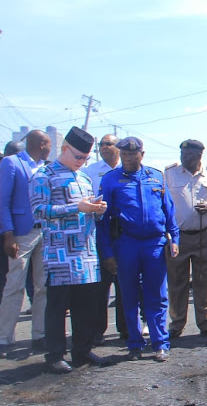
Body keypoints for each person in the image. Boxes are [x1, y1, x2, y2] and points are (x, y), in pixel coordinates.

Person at [30, 127, 111, 373]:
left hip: (85, 254)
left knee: (85, 306)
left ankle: (82, 350)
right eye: (78, 157)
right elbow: (39, 211)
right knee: (57, 307)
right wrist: (77, 208)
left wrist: (96, 209)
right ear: (64, 148)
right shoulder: (44, 175)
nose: (82, 162)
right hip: (59, 255)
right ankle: (55, 354)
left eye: (86, 158)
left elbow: (86, 209)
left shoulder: (84, 177)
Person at [97, 137, 179, 362]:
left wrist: (175, 239)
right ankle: (134, 343)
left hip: (154, 244)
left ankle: (160, 343)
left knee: (157, 295)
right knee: (129, 295)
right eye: (124, 155)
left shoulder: (155, 176)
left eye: (133, 155)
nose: (128, 159)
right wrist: (108, 253)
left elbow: (168, 210)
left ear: (142, 154)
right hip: (127, 244)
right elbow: (103, 222)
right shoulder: (111, 180)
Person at [164, 139, 207, 339]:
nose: (184, 158)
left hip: (204, 236)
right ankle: (176, 324)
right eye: (182, 154)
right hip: (178, 237)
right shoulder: (170, 174)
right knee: (177, 282)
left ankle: (206, 323)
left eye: (188, 155)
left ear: (199, 155)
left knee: (203, 281)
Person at [0, 130, 51, 359]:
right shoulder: (12, 163)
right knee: (14, 285)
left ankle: (39, 334)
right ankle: (4, 337)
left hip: (45, 232)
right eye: (49, 144)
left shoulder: (45, 167)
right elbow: (2, 201)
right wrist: (7, 235)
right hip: (22, 233)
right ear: (42, 144)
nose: (50, 148)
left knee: (43, 286)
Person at [82, 134, 124, 345]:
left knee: (125, 284)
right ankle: (97, 331)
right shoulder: (90, 172)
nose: (104, 148)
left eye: (109, 144)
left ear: (119, 147)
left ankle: (126, 329)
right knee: (100, 287)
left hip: (124, 234)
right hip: (100, 233)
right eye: (101, 144)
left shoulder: (128, 169)